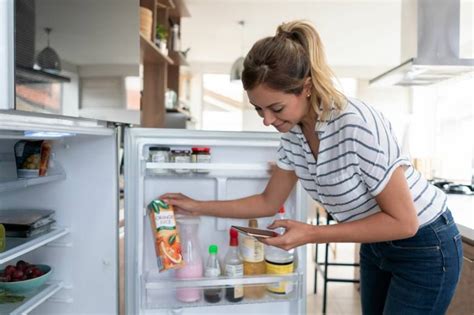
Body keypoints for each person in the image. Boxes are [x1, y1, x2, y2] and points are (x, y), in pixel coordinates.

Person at [161, 20, 462, 314]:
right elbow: (268, 202)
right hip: (376, 246)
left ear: (305, 88)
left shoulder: (355, 123)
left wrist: (310, 233)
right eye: (258, 109)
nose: (267, 120)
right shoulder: (293, 134)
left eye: (275, 108)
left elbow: (404, 222)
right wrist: (197, 206)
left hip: (425, 246)